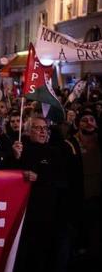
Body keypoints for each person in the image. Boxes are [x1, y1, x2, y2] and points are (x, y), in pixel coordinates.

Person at [14, 116, 71, 272]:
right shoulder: (20, 149)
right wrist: (16, 158)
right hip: (24, 215)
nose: (43, 132)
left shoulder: (56, 152)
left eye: (45, 129)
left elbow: (63, 181)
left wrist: (40, 178)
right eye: (38, 128)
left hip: (48, 213)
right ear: (28, 131)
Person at [64, 110, 101, 265]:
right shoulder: (69, 145)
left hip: (98, 199)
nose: (89, 123)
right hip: (77, 200)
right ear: (78, 124)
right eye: (84, 120)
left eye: (92, 119)